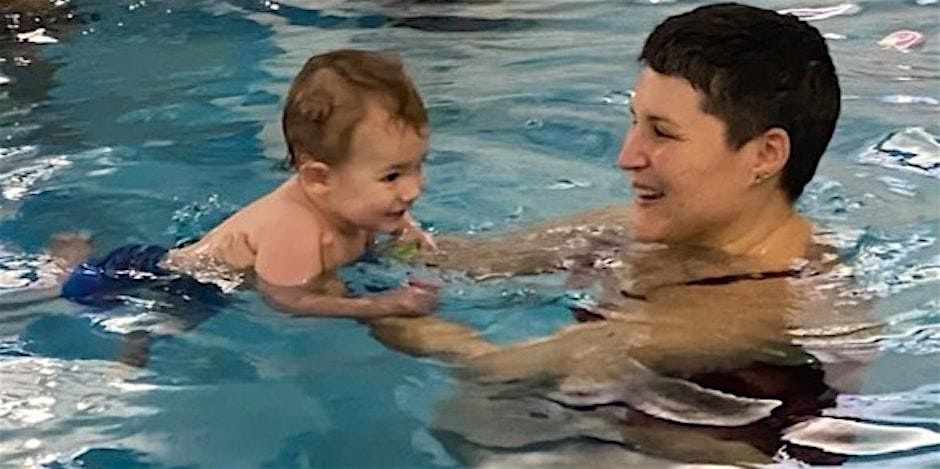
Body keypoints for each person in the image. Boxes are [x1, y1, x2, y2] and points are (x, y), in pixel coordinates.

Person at [370, 3, 868, 465]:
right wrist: (372, 225)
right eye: (635, 122)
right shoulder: (635, 229)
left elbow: (500, 366)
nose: (627, 156)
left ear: (764, 155)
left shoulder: (783, 305)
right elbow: (460, 260)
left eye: (662, 132)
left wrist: (393, 319)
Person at [60, 49, 439, 320]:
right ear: (319, 178)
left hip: (212, 285)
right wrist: (378, 305)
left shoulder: (354, 200)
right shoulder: (296, 227)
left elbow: (390, 220)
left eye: (417, 166)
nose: (413, 190)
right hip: (162, 276)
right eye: (392, 176)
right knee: (75, 294)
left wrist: (408, 229)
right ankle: (67, 261)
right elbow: (289, 301)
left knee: (162, 331)